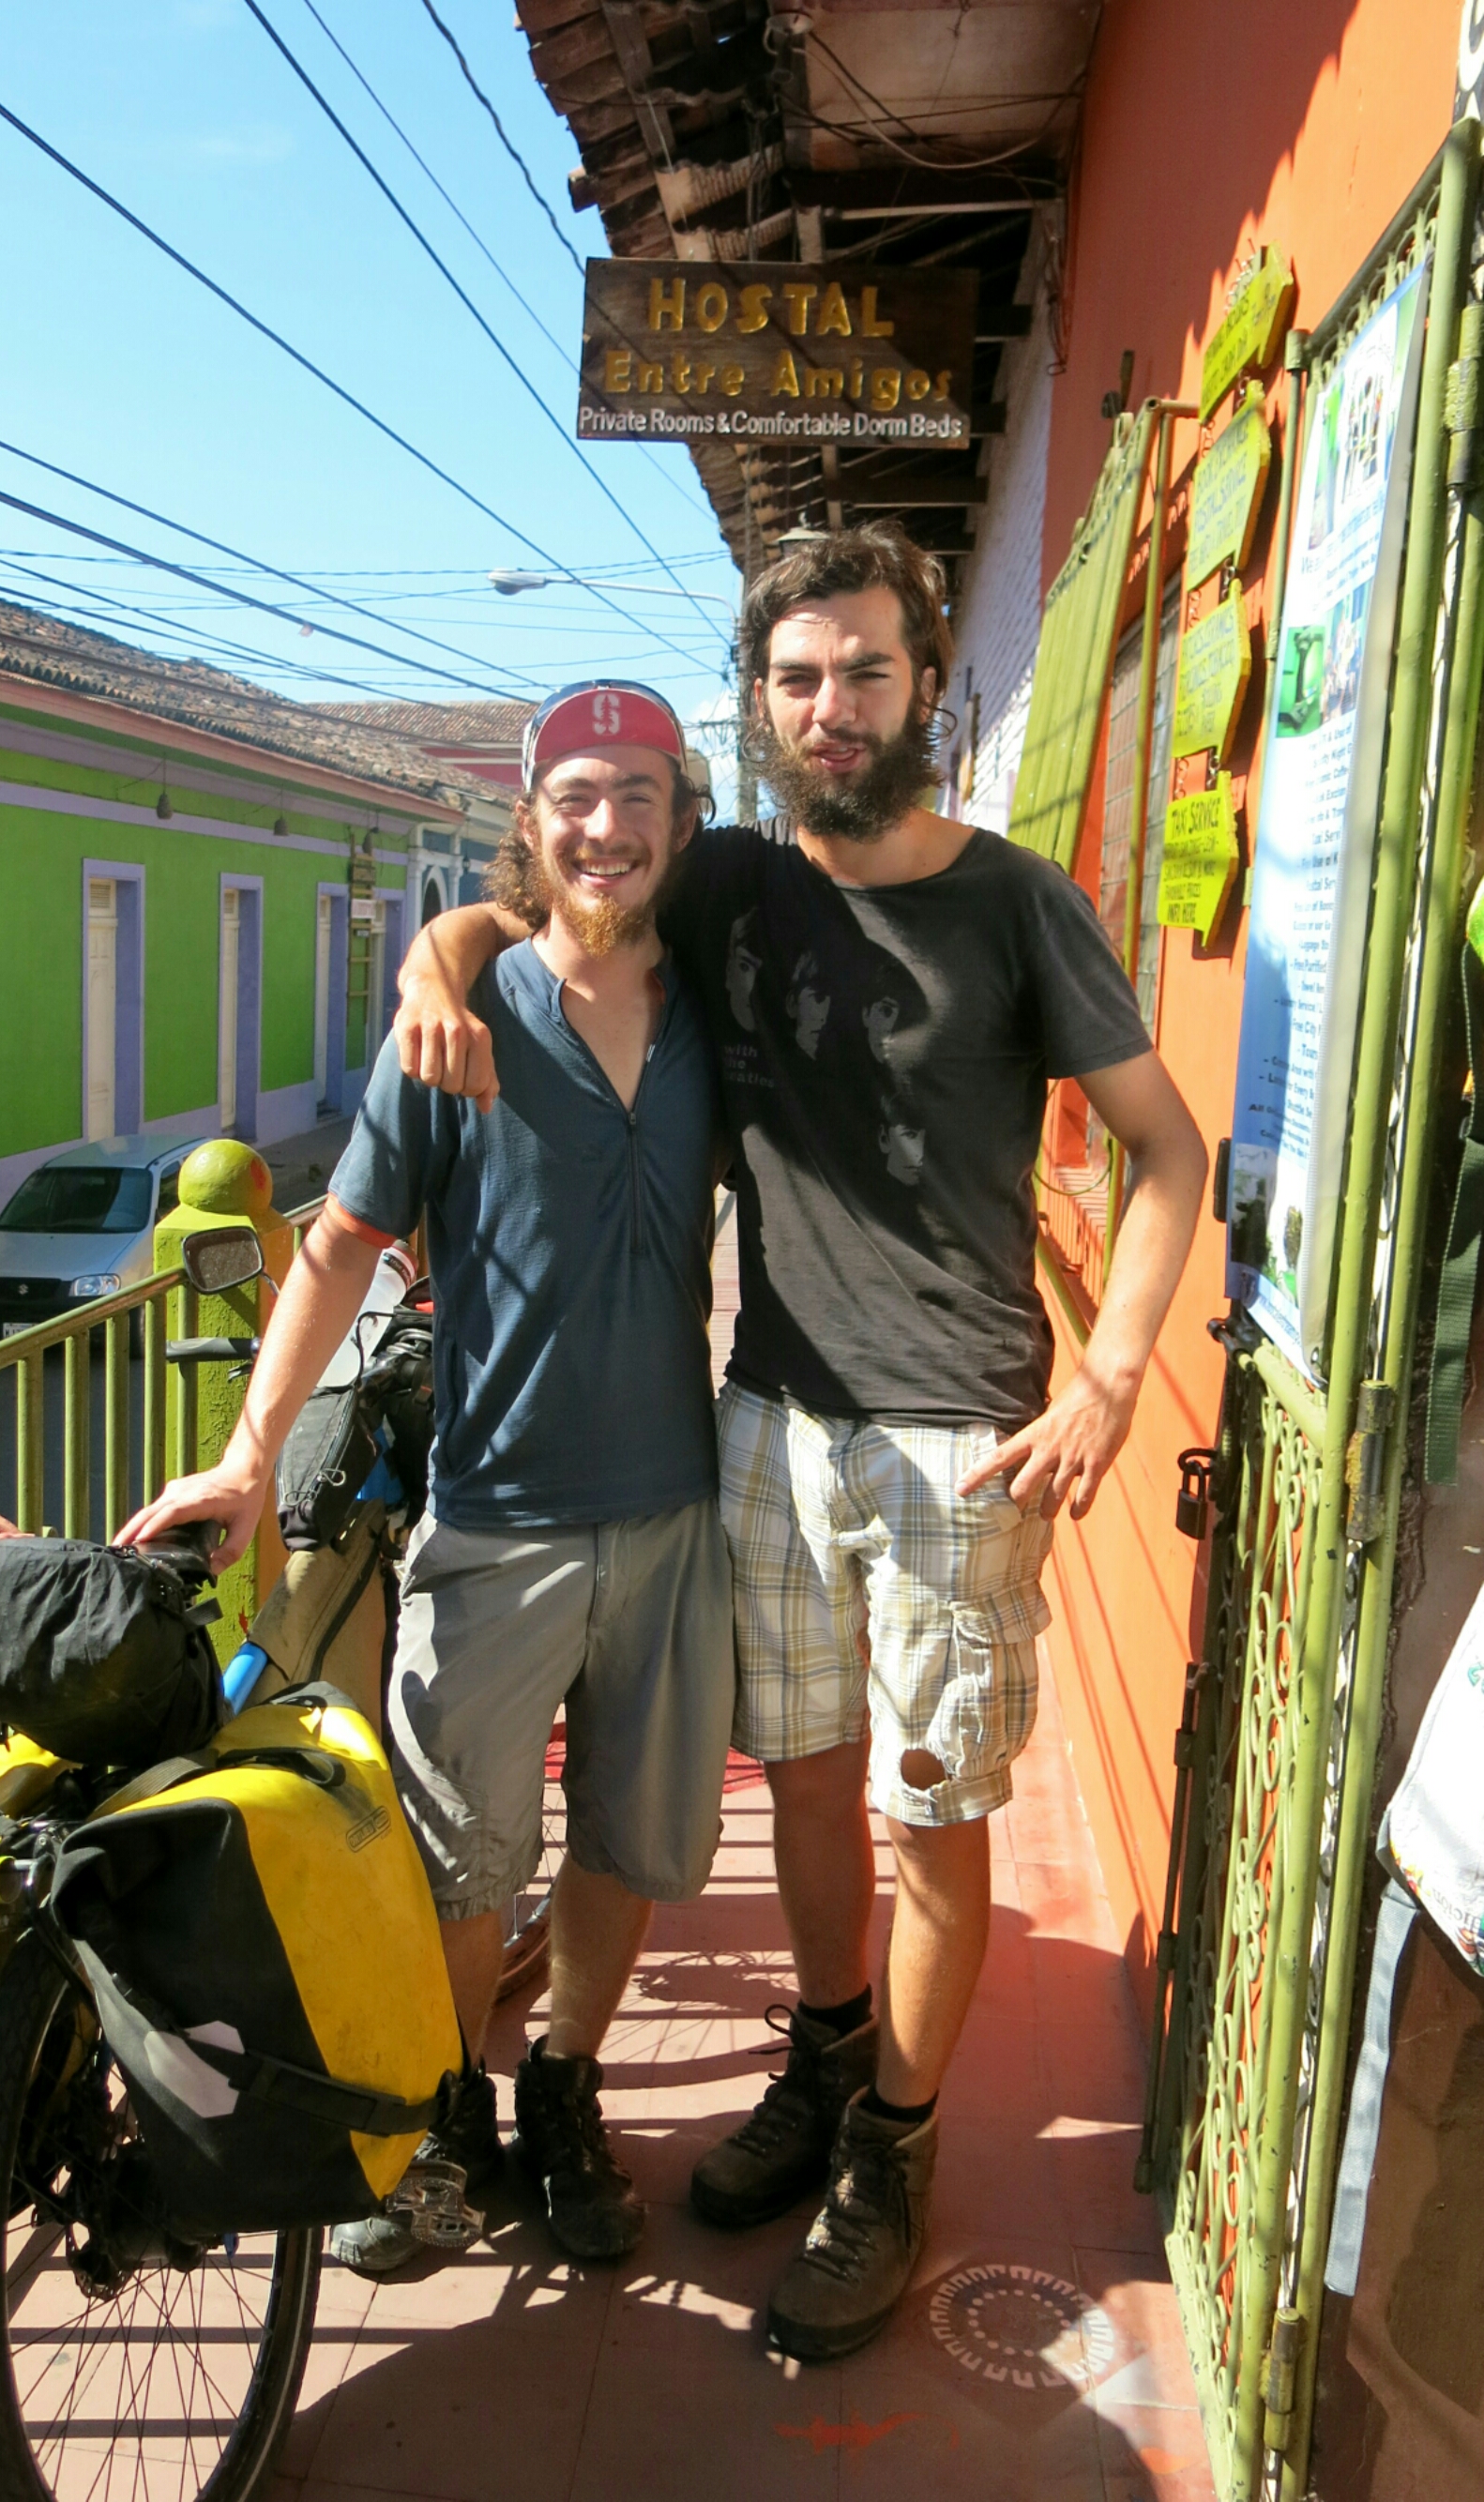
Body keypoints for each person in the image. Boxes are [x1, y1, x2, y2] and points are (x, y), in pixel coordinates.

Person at [392, 523, 1208, 2358]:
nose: (832, 707)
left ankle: (895, 2152)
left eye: (865, 672)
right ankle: (831, 2063)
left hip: (955, 1442)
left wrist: (1107, 1376)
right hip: (765, 1415)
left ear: (928, 687)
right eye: (797, 678)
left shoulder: (1015, 903)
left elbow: (1166, 1148)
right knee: (815, 1787)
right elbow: (546, 900)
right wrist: (436, 964)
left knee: (931, 1813)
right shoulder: (733, 881)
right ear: (758, 707)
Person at [121, 679, 734, 2274]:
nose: (607, 826)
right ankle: (452, 2113)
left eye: (639, 794)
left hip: (674, 1510)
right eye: (576, 796)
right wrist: (251, 1452)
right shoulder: (454, 1030)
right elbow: (339, 1248)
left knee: (628, 1842)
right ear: (531, 823)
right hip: (493, 1518)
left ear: (682, 820)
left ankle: (565, 2087)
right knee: (465, 1858)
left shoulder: (712, 1012)